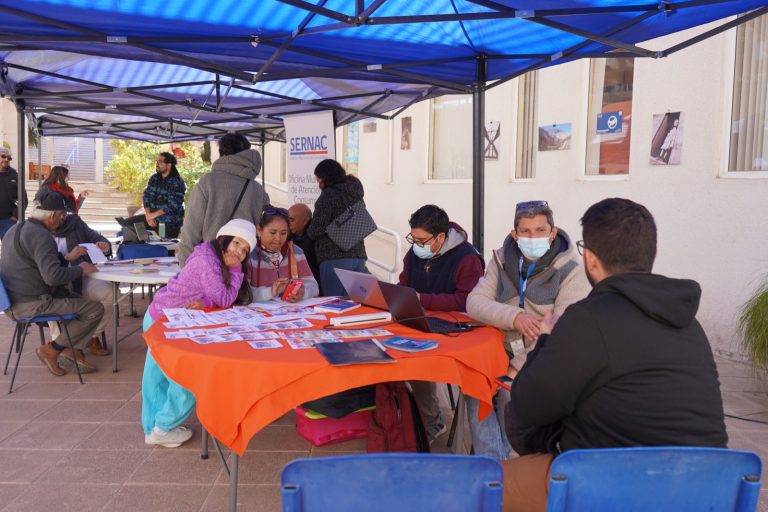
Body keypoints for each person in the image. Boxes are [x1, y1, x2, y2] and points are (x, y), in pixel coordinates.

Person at [501, 198, 727, 512]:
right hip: (707, 489)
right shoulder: (690, 323)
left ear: (591, 260)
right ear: (652, 254)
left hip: (615, 487)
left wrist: (544, 341)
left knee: (480, 487)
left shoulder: (587, 319)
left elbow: (526, 407)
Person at [465, 200, 591, 460]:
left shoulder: (570, 271)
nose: (533, 237)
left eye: (540, 230)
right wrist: (515, 317)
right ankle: (491, 466)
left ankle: (513, 464)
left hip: (543, 358)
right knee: (475, 386)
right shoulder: (500, 261)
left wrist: (517, 366)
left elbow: (561, 329)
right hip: (499, 350)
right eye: (525, 231)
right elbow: (474, 303)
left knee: (510, 395)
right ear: (515, 234)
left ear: (552, 233)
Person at [142, 219, 257, 447]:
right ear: (224, 238)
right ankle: (162, 429)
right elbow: (224, 298)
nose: (239, 252)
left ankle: (151, 427)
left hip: (157, 316)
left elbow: (205, 293)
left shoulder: (206, 253)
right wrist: (235, 269)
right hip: (172, 324)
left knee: (156, 377)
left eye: (245, 250)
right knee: (187, 378)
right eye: (236, 243)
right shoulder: (210, 262)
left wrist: (205, 300)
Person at [399, 204, 484, 443]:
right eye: (413, 239)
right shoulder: (414, 253)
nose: (417, 245)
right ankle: (402, 416)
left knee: (418, 360)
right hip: (418, 320)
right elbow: (404, 283)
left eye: (422, 240)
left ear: (441, 237)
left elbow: (468, 300)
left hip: (454, 329)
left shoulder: (467, 258)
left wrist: (423, 299)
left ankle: (431, 423)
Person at [0, 190, 104, 376]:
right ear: (54, 215)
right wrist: (81, 269)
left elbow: (32, 262)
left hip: (12, 301)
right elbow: (53, 277)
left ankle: (69, 349)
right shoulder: (41, 235)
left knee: (75, 298)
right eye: (63, 215)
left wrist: (66, 257)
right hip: (31, 304)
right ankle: (54, 349)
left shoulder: (14, 229)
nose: (63, 220)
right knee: (95, 309)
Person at [178, 134, 269, 266]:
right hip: (243, 268)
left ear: (222, 154)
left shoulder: (208, 182)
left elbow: (190, 232)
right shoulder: (259, 191)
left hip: (209, 266)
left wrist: (186, 269)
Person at [47, 200, 114, 357]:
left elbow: (98, 238)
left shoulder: (75, 223)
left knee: (110, 293)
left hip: (79, 278)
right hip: (55, 282)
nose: (63, 217)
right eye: (60, 214)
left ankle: (92, 336)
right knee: (52, 296)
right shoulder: (39, 231)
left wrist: (103, 245)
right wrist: (68, 257)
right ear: (49, 215)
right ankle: (60, 346)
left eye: (65, 213)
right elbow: (47, 270)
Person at [307, 159, 368, 296]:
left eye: (319, 180)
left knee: (334, 304)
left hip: (334, 257)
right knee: (354, 303)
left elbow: (315, 230)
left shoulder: (328, 195)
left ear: (325, 177)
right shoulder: (355, 190)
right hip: (358, 255)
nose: (319, 184)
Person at [248, 206, 320, 302]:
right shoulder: (249, 254)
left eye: (283, 233)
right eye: (273, 232)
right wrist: (271, 292)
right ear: (259, 230)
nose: (278, 238)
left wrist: (303, 292)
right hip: (258, 315)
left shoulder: (296, 252)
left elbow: (313, 285)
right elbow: (243, 293)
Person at [143, 152, 186, 238]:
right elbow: (146, 196)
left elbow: (172, 205)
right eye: (157, 161)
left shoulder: (176, 182)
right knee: (129, 224)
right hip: (152, 220)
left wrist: (152, 215)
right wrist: (149, 215)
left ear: (169, 165)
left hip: (169, 224)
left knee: (165, 250)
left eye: (160, 162)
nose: (157, 164)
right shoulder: (154, 178)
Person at [288, 203, 320, 285]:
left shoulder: (315, 238)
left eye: (291, 220)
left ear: (305, 221)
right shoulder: (289, 236)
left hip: (314, 284)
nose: (288, 224)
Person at [0, 147, 27, 241]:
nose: (6, 159)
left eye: (9, 158)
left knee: (8, 249)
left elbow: (23, 198)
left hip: (8, 220)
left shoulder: (15, 176)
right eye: (3, 156)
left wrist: (15, 215)